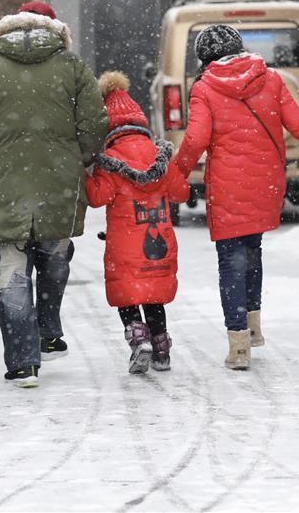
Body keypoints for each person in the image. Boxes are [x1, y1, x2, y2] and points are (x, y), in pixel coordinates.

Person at [174, 25, 299, 370]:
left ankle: (238, 344)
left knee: (230, 260)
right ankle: (252, 328)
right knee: (251, 251)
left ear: (204, 58)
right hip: (266, 183)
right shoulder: (269, 79)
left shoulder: (205, 89)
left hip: (227, 185)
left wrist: (174, 178)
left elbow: (195, 141)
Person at [0, 1, 108, 388]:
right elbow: (95, 123)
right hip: (59, 180)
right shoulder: (71, 67)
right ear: (53, 29)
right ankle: (47, 326)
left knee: (13, 269)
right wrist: (79, 158)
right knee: (55, 254)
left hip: (7, 183)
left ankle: (23, 361)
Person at [86, 72, 190, 374]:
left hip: (124, 246)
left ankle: (138, 339)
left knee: (127, 293)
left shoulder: (110, 160)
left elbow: (96, 197)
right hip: (157, 243)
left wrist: (85, 173)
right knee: (154, 295)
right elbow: (182, 192)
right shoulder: (159, 157)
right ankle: (161, 349)